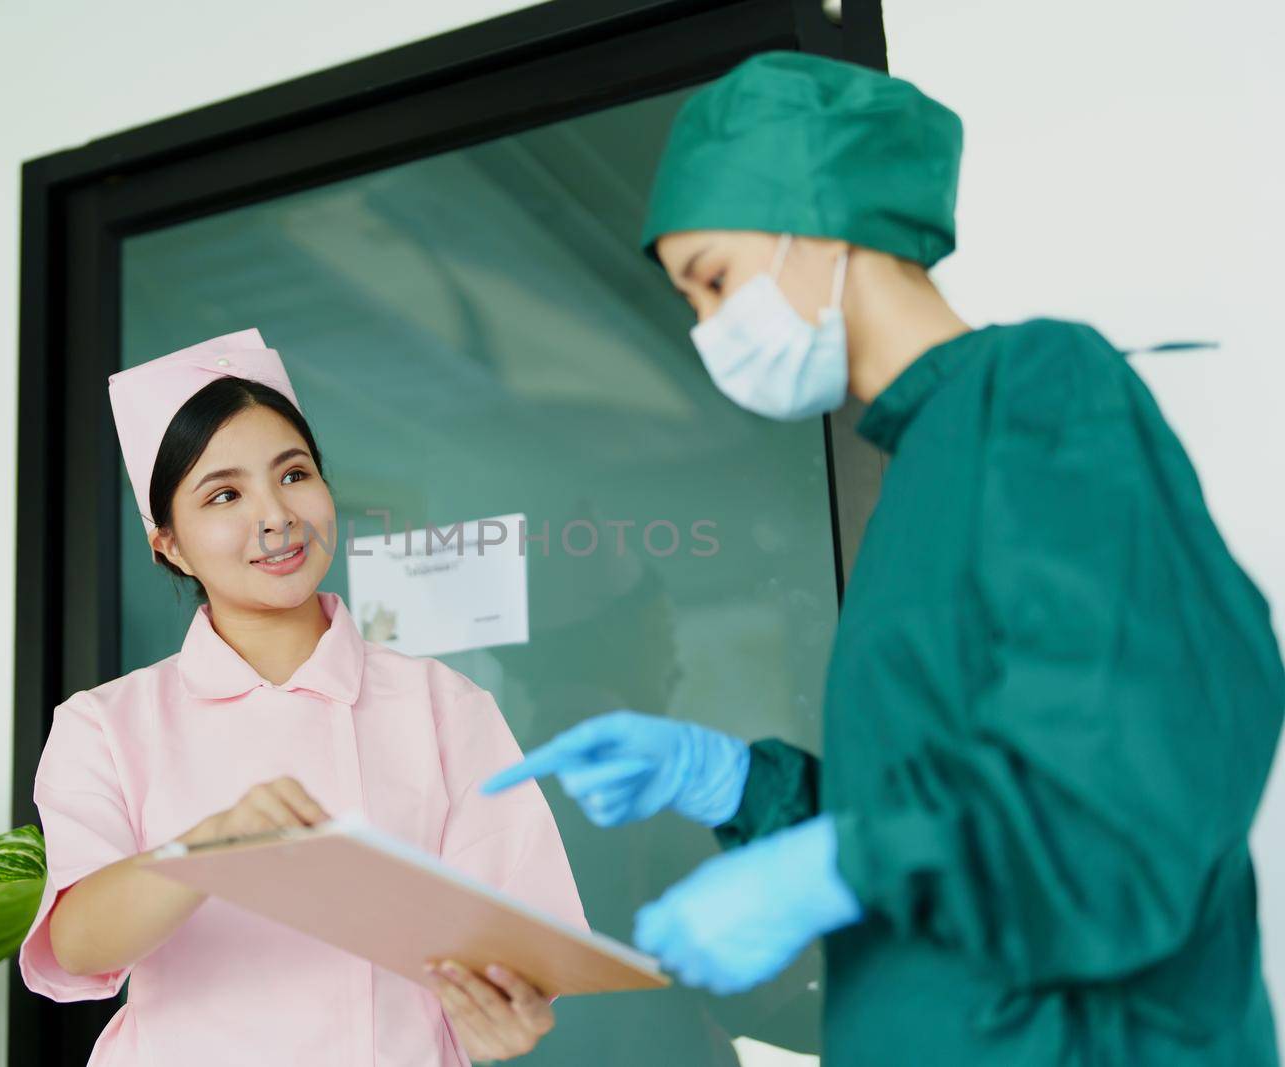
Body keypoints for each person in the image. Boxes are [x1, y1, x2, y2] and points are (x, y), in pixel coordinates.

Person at [485, 51, 1285, 1066]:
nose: (708, 327)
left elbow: (1125, 791)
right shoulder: (917, 467)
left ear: (820, 219)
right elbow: (938, 827)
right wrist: (734, 784)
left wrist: (835, 860)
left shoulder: (1039, 389)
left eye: (716, 279)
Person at [19, 328, 586, 1065]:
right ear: (169, 543)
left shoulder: (444, 705)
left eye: (293, 474)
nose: (276, 515)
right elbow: (79, 941)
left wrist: (509, 1016)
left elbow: (522, 944)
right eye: (224, 493)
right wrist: (208, 850)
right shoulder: (105, 724)